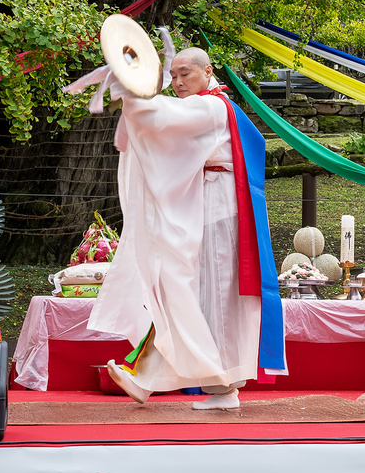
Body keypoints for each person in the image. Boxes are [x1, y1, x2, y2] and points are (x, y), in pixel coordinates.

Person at [93, 47, 286, 409]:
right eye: (173, 76)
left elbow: (166, 120)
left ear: (207, 71)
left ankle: (222, 388)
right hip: (206, 209)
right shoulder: (210, 106)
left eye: (185, 74)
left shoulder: (210, 107)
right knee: (185, 294)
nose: (178, 82)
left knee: (207, 298)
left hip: (217, 212)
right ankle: (147, 378)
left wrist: (134, 96)